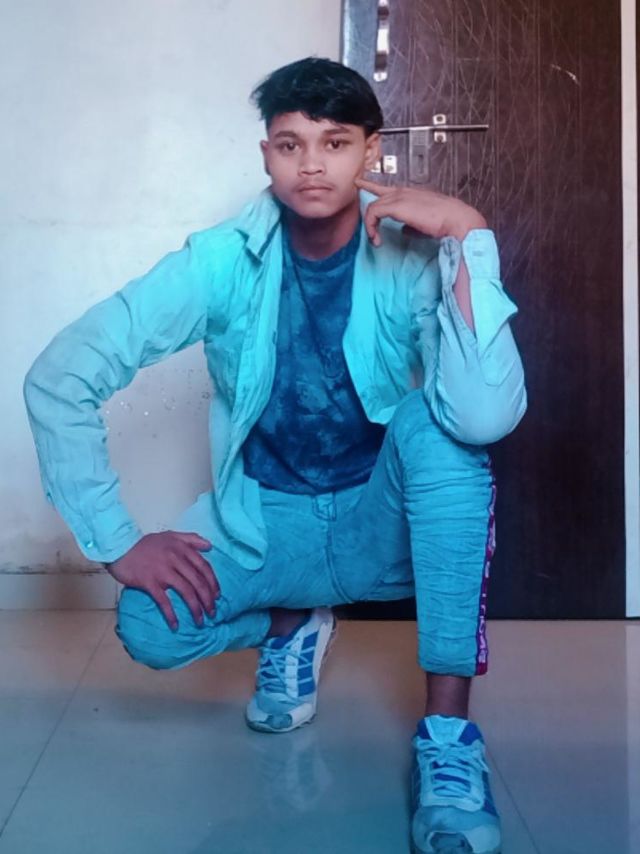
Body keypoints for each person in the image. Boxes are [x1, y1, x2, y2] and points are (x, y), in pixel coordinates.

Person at [24, 56, 526, 854]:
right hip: (270, 524)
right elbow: (61, 375)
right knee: (149, 626)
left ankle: (448, 738)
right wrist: (116, 541)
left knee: (442, 434)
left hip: (375, 522)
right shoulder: (220, 259)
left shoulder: (412, 251)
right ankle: (293, 624)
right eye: (291, 145)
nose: (312, 165)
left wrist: (467, 231)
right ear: (267, 155)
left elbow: (486, 412)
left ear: (371, 151)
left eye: (335, 142)